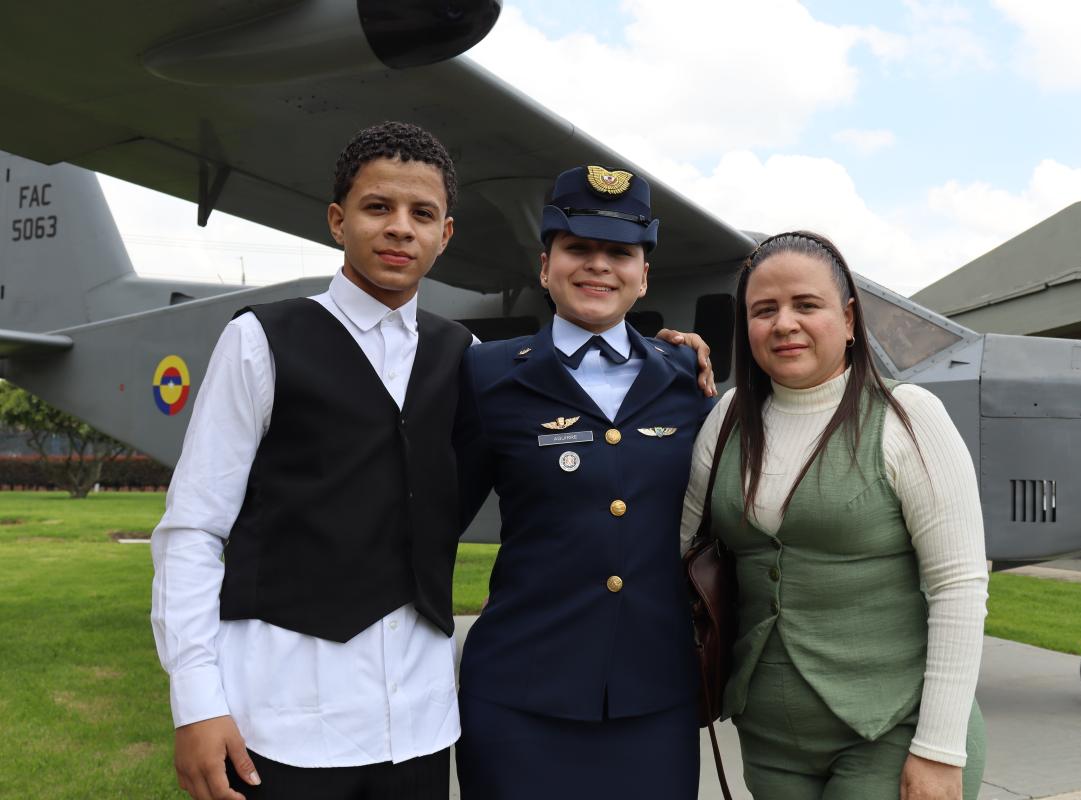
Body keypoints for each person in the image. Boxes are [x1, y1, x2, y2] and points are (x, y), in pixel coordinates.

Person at [150, 121, 473, 800]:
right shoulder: (260, 341)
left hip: (420, 722)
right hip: (284, 721)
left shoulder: (462, 356)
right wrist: (196, 701)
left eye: (423, 214)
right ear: (337, 220)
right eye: (377, 207)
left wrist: (667, 356)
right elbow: (193, 528)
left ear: (445, 236)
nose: (400, 229)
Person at [680, 231, 988, 800]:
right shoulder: (724, 422)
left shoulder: (909, 418)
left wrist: (940, 750)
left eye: (806, 305)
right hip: (769, 740)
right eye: (763, 310)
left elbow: (959, 586)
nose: (784, 324)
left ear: (849, 320)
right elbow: (679, 550)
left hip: (890, 733)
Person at [452, 165, 714, 800]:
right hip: (520, 698)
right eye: (579, 249)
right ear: (546, 266)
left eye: (620, 253)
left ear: (643, 275)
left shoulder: (687, 378)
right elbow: (430, 521)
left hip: (655, 699)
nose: (599, 266)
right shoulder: (487, 376)